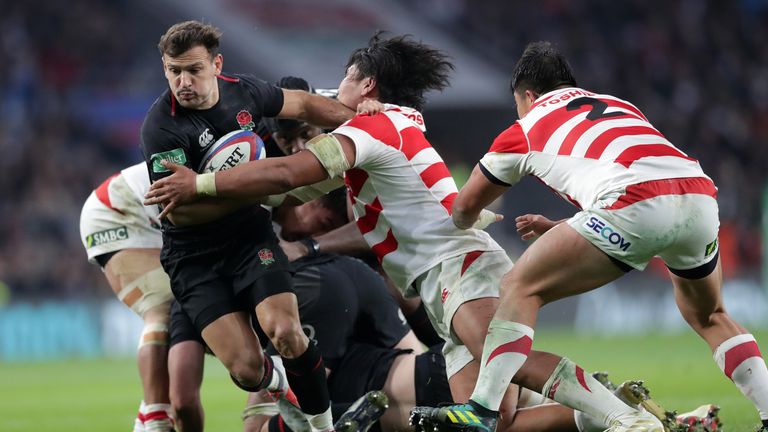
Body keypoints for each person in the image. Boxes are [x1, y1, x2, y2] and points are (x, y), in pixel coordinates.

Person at [144, 32, 663, 430]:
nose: (338, 88)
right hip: (436, 282)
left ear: (367, 85)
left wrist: (203, 183)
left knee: (514, 363)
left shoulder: (372, 128)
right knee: (496, 419)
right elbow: (304, 131)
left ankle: (626, 419)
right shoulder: (386, 119)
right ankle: (607, 413)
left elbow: (286, 174)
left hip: (460, 265)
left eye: (346, 78)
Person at [409, 41, 768, 432]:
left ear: (528, 95)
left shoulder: (524, 128)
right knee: (711, 315)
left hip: (633, 202)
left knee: (519, 286)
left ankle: (482, 409)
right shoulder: (617, 104)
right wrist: (569, 228)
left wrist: (467, 219)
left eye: (518, 103)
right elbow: (625, 172)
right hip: (698, 194)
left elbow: (463, 209)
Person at [139, 20, 358, 432]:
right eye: (174, 71)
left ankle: (324, 428)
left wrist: (361, 123)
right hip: (193, 257)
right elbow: (180, 212)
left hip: (248, 239)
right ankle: (278, 383)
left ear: (216, 64)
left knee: (287, 332)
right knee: (244, 370)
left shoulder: (246, 92)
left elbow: (306, 105)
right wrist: (255, 188)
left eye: (194, 70)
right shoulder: (161, 127)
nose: (183, 81)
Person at [79, 163, 175, 432]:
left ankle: (148, 417)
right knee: (162, 309)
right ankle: (155, 418)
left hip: (154, 218)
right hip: (117, 208)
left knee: (182, 313)